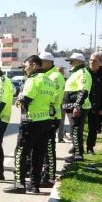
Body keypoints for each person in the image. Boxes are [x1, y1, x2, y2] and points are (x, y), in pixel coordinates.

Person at [6, 55, 55, 195]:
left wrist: (20, 100)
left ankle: (19, 184)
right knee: (38, 155)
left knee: (21, 152)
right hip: (45, 121)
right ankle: (34, 185)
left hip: (31, 121)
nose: (24, 68)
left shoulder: (33, 80)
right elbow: (51, 101)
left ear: (34, 65)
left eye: (26, 65)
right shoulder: (49, 81)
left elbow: (26, 100)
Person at [40, 52, 65, 187]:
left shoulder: (56, 76)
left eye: (42, 61)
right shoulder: (46, 75)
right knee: (43, 147)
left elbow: (54, 97)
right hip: (45, 116)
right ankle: (45, 174)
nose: (39, 64)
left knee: (49, 147)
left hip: (52, 116)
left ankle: (49, 177)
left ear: (49, 62)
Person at [64, 53, 92, 162]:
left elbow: (83, 91)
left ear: (80, 62)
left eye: (72, 61)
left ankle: (78, 155)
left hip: (79, 107)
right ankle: (76, 152)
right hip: (72, 106)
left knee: (75, 130)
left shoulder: (83, 73)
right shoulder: (76, 73)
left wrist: (77, 105)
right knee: (74, 130)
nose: (70, 63)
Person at [86, 52, 102, 155]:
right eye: (90, 60)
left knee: (93, 128)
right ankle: (76, 148)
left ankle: (90, 147)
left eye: (94, 61)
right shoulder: (85, 72)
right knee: (78, 127)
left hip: (95, 106)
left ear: (100, 63)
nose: (92, 62)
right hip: (82, 105)